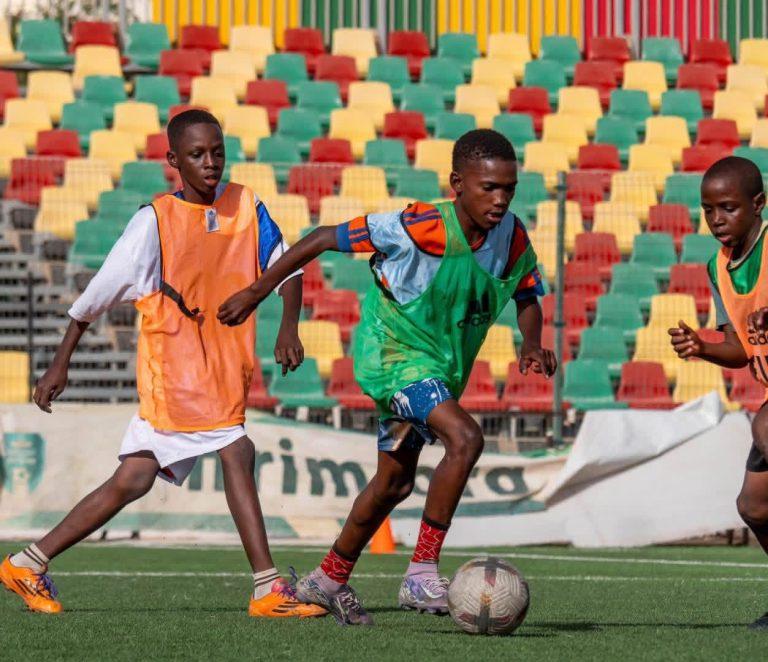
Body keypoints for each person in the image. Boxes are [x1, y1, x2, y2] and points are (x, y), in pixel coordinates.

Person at [218, 129, 557, 626]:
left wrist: (531, 341)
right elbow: (323, 237)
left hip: (440, 370)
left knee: (393, 483)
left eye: (509, 188)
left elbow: (526, 292)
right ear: (457, 183)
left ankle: (326, 579)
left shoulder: (512, 235)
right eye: (489, 187)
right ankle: (421, 571)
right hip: (393, 358)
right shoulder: (419, 225)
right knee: (465, 438)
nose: (501, 199)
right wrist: (255, 293)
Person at [0, 109, 324, 619]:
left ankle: (26, 563)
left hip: (220, 370)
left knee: (134, 478)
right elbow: (95, 297)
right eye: (197, 154)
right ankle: (267, 587)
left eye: (217, 152)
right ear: (173, 160)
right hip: (174, 370)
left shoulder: (247, 204)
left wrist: (289, 326)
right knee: (237, 449)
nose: (210, 163)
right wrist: (60, 363)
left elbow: (287, 265)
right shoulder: (152, 222)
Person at [668, 156, 768, 629]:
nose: (716, 219)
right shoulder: (719, 268)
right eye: (708, 210)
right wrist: (703, 347)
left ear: (758, 204)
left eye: (728, 207)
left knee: (765, 426)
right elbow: (740, 348)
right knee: (754, 506)